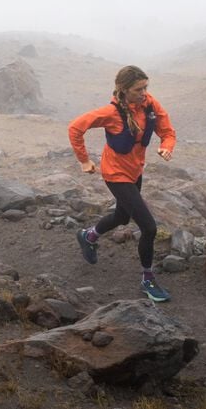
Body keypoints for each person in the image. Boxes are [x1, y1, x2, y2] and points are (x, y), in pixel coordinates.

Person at [67, 65, 176, 302]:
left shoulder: (150, 105)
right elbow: (75, 127)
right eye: (139, 89)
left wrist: (166, 147)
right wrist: (84, 160)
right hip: (115, 174)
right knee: (149, 228)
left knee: (122, 217)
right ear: (124, 90)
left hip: (135, 172)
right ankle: (148, 280)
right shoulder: (111, 112)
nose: (144, 92)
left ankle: (89, 236)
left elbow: (167, 132)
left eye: (146, 87)